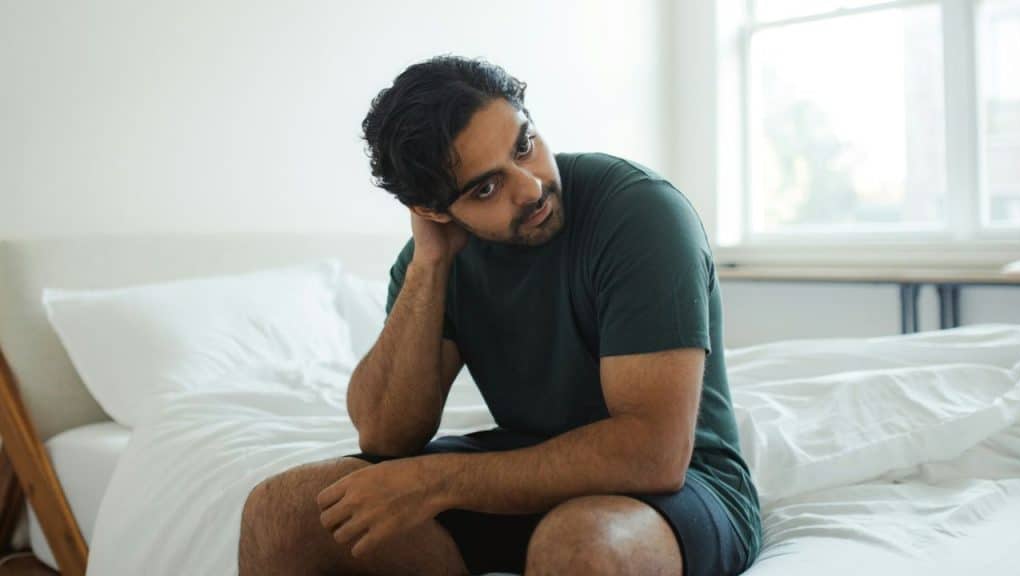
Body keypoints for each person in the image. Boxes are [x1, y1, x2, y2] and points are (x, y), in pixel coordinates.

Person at [239, 55, 761, 576]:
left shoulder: (639, 212)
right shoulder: (438, 257)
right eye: (486, 188)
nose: (530, 186)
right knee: (281, 511)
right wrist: (430, 262)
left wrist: (437, 481)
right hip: (526, 466)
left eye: (524, 145)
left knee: (581, 544)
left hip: (686, 484)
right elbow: (385, 435)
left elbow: (654, 454)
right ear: (434, 211)